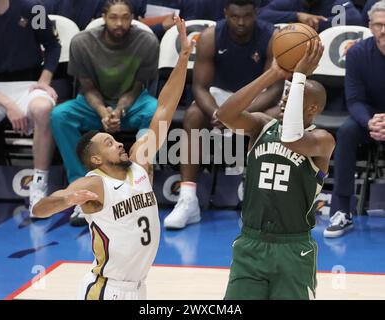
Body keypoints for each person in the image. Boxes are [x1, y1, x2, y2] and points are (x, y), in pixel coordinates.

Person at [32, 17, 194, 300]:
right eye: (109, 143)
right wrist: (66, 200)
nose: (119, 142)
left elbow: (165, 107)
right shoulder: (94, 184)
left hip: (139, 287)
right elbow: (40, 210)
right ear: (95, 159)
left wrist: (182, 57)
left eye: (115, 140)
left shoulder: (140, 162)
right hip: (107, 289)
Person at [216, 40, 335, 300]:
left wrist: (301, 75)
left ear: (313, 108)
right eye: (286, 95)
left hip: (293, 248)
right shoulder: (262, 126)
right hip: (251, 243)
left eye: (294, 96)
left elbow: (292, 139)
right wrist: (273, 74)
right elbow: (224, 114)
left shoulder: (321, 140)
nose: (285, 101)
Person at [163, 0, 284, 230]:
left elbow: (275, 88)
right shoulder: (210, 37)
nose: (241, 22)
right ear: (225, 13)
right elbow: (199, 87)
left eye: (247, 16)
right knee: (193, 115)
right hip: (219, 99)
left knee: (276, 116)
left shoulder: (271, 37)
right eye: (235, 16)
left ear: (255, 13)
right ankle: (188, 199)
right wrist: (219, 113)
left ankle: (259, 199)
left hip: (255, 100)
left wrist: (239, 114)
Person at [50, 0, 159, 226]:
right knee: (60, 115)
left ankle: (138, 184)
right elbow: (86, 87)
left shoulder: (146, 41)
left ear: (133, 18)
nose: (119, 23)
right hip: (93, 104)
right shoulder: (82, 43)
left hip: (132, 104)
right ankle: (83, 190)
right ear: (103, 17)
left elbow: (137, 86)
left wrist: (119, 110)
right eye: (114, 17)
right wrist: (102, 112)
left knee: (157, 112)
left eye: (125, 17)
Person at [324, 0, 385, 238]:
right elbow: (355, 99)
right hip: (369, 118)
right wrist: (370, 122)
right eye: (378, 25)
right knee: (347, 132)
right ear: (370, 26)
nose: (383, 30)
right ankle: (341, 211)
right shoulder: (358, 53)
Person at [0, 0, 61, 215]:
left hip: (28, 83)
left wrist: (44, 80)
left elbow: (53, 46)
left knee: (43, 109)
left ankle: (39, 185)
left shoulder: (34, 8)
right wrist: (9, 105)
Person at [258, 0, 363, 32]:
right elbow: (260, 15)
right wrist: (297, 15)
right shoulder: (289, 2)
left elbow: (355, 19)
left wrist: (309, 24)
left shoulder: (334, 2)